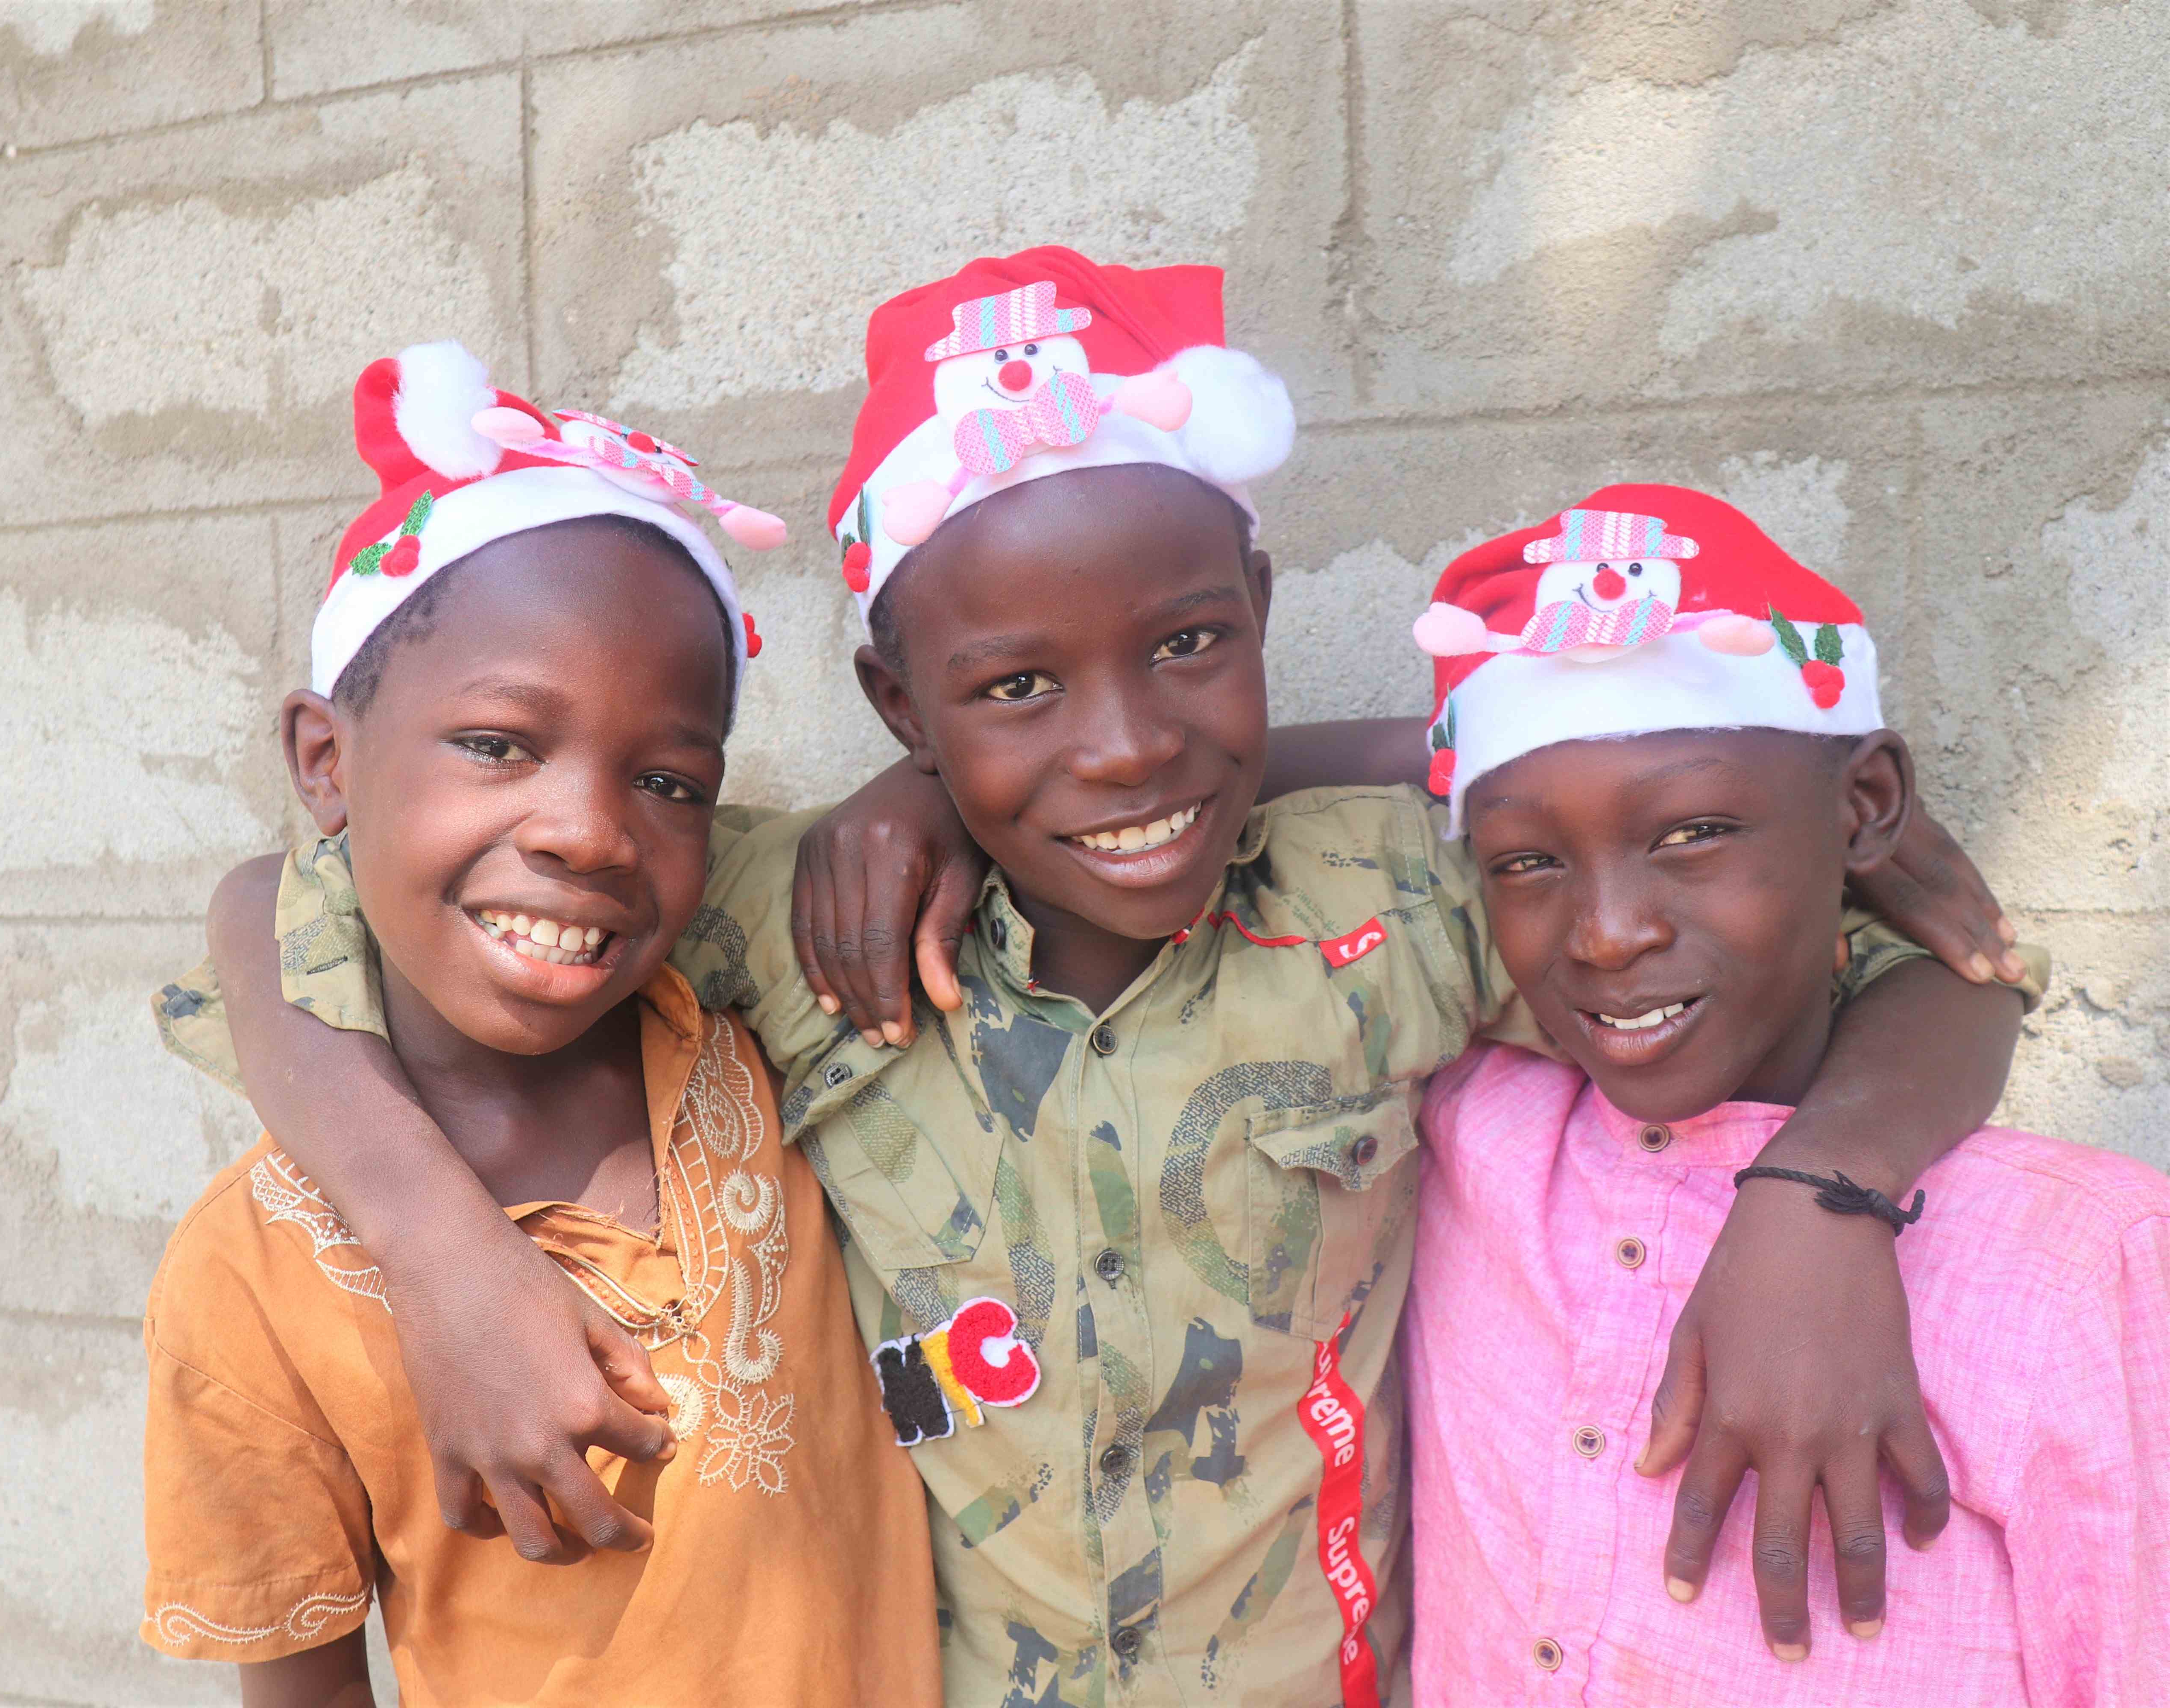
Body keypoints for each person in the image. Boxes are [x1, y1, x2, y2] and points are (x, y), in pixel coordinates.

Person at [189, 254, 2026, 1705]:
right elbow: (283, 901)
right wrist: (438, 1253)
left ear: (1257, 601)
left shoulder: (1389, 910)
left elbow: (1931, 974)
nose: (1130, 748)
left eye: (1190, 648)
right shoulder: (790, 922)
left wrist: (1822, 1200)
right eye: (1011, 696)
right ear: (902, 707)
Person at [138, 343, 939, 1707]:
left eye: (669, 779)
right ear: (326, 761)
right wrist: (437, 1250)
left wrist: (925, 802)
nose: (586, 832)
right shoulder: (252, 1275)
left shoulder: (773, 1047)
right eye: (501, 745)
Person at [1390, 486, 2169, 1705]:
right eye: (1529, 863)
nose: (1606, 935)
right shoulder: (1459, 1129)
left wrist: (1821, 1193)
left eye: (1693, 832)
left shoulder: (2083, 1267)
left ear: (1866, 809)